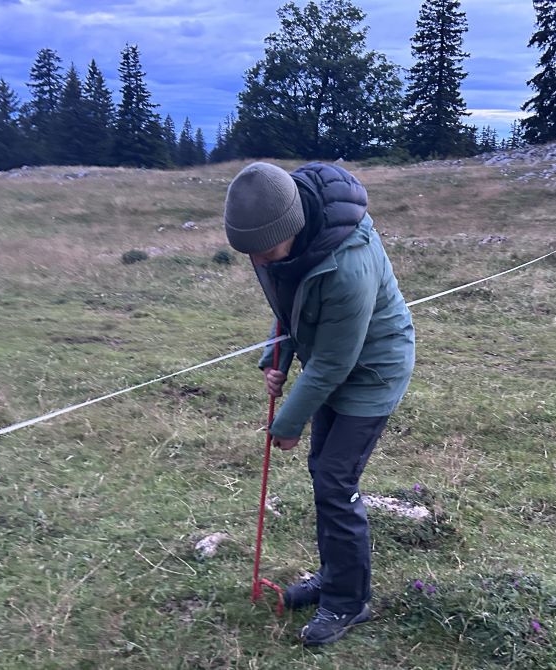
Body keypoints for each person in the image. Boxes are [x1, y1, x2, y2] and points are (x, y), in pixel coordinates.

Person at [223, 161, 416, 646]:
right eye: (253, 256)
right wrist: (277, 357)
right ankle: (335, 580)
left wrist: (287, 422)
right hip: (335, 363)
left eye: (266, 253)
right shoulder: (284, 244)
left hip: (373, 372)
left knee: (335, 479)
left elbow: (332, 362)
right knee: (324, 471)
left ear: (292, 228)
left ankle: (350, 604)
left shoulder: (347, 264)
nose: (262, 263)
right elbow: (289, 306)